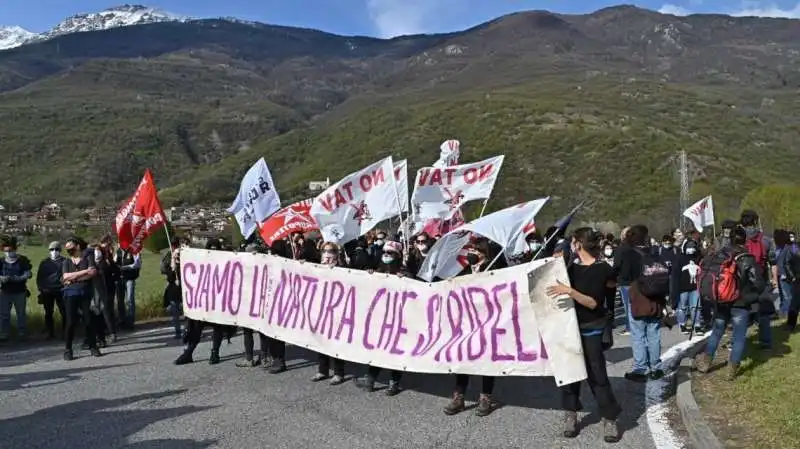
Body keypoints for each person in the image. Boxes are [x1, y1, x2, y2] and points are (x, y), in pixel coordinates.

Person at [547, 227, 621, 443]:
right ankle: (570, 414)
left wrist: (570, 292)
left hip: (592, 328)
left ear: (578, 243)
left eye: (572, 242)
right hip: (569, 328)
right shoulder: (570, 268)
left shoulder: (602, 269)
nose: (571, 245)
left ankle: (609, 418)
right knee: (569, 373)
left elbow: (592, 302)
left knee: (597, 374)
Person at [695, 226, 766, 379]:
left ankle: (706, 362)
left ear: (730, 238)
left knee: (717, 330)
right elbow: (758, 282)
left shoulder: (721, 254)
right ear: (745, 240)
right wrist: (756, 294)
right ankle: (731, 370)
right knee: (739, 335)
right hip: (740, 302)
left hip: (721, 299)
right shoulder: (746, 257)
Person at [443, 239, 500, 417]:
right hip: (466, 322)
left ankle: (485, 398)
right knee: (463, 359)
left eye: (477, 249)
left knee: (487, 361)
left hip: (487, 321)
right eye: (472, 249)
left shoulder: (495, 267)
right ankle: (458, 397)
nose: (473, 252)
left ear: (485, 252)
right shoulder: (465, 268)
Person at [356, 240, 407, 396]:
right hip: (379, 319)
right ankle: (370, 379)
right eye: (384, 252)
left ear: (397, 255)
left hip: (399, 320)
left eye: (390, 253)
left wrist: (405, 278)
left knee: (395, 351)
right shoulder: (377, 270)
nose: (386, 255)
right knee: (378, 349)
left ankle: (394, 382)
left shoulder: (404, 272)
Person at [622, 225, 667, 382]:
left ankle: (640, 368)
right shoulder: (654, 252)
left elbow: (624, 276)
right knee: (654, 334)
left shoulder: (630, 254)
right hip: (654, 299)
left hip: (638, 299)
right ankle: (656, 368)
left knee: (638, 335)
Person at [311, 241, 347, 385]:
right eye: (324, 251)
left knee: (336, 343)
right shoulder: (317, 268)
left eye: (331, 251)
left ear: (336, 254)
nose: (327, 254)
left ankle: (339, 373)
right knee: (321, 342)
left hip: (337, 312)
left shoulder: (344, 270)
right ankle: (322, 370)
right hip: (321, 311)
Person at [739, 210, 775, 349]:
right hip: (761, 279)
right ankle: (765, 342)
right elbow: (772, 261)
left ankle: (739, 342)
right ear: (755, 221)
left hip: (742, 280)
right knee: (764, 313)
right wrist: (774, 279)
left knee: (742, 312)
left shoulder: (738, 238)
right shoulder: (765, 239)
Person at [61, 237, 102, 360]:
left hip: (84, 293)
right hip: (70, 295)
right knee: (70, 322)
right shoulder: (66, 262)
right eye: (67, 248)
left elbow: (92, 273)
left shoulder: (87, 258)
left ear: (78, 246)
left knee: (88, 320)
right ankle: (68, 349)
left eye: (70, 247)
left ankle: (93, 346)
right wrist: (83, 272)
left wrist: (72, 278)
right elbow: (65, 277)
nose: (68, 250)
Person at [0, 236, 32, 341]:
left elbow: (28, 274)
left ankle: (22, 332)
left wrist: (15, 279)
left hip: (20, 291)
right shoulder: (1, 261)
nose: (8, 253)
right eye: (6, 251)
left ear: (14, 249)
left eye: (10, 250)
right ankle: (5, 333)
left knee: (21, 313)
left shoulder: (23, 260)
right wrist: (2, 278)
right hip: (5, 292)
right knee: (4, 314)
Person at [36, 241, 66, 340]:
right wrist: (41, 289)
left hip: (61, 290)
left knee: (64, 312)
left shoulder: (65, 261)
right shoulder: (44, 263)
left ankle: (66, 332)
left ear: (60, 250)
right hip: (47, 291)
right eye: (52, 249)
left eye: (56, 249)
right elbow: (39, 277)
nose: (54, 251)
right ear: (49, 251)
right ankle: (50, 333)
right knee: (48, 312)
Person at [674, 239, 703, 335]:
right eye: (689, 247)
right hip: (683, 288)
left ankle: (697, 325)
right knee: (683, 307)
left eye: (693, 247)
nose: (691, 249)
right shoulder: (680, 258)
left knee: (696, 307)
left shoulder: (698, 257)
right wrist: (675, 288)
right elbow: (676, 274)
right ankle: (682, 324)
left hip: (695, 287)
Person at [161, 238, 183, 339]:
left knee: (187, 309)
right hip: (173, 284)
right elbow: (163, 268)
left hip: (184, 284)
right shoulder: (168, 255)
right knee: (173, 308)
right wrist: (171, 266)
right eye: (173, 245)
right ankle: (178, 330)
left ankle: (191, 329)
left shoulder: (184, 253)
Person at [115, 246, 142, 329]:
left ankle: (131, 321)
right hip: (119, 278)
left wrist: (124, 268)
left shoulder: (134, 250)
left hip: (129, 278)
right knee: (120, 300)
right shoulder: (118, 251)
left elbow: (137, 264)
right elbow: (114, 262)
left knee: (130, 299)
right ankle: (122, 320)